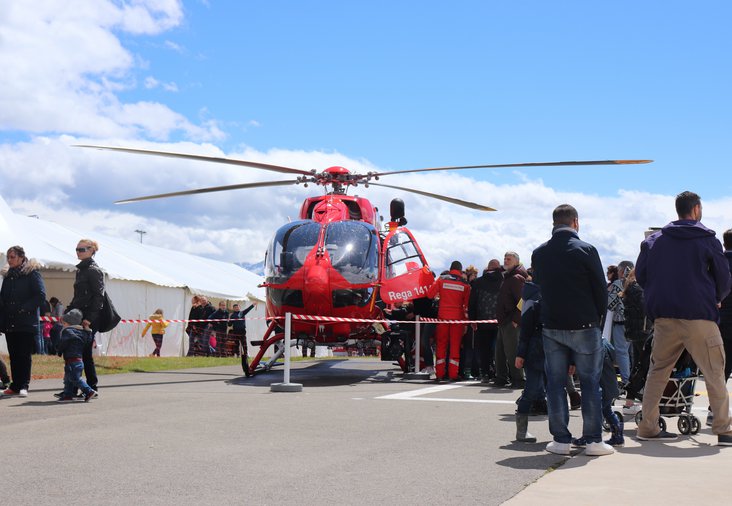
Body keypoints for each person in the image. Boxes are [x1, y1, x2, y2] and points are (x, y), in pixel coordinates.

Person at [635, 191, 732, 445]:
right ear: (697, 209)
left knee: (658, 371)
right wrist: (717, 297)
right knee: (714, 371)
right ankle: (723, 428)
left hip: (664, 317)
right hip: (700, 314)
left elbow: (642, 276)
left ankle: (647, 426)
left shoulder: (654, 241)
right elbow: (723, 277)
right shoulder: (707, 239)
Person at [532, 204, 613, 456]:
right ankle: (593, 440)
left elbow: (538, 288)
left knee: (555, 384)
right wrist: (597, 319)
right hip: (584, 325)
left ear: (554, 223)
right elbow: (601, 291)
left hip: (552, 325)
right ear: (575, 222)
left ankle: (560, 440)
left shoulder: (539, 253)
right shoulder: (587, 250)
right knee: (590, 383)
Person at [0, 246, 46, 397]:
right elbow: (2, 300)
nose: (9, 260)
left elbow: (40, 296)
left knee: (24, 355)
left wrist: (23, 308)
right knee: (13, 355)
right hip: (10, 322)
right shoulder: (8, 276)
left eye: (12, 257)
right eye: (8, 257)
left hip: (26, 322)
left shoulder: (32, 274)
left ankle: (23, 385)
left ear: (21, 257)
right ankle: (15, 385)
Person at [63, 239, 105, 395]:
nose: (78, 252)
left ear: (92, 250)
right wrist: (67, 312)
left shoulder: (94, 270)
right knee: (74, 353)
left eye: (82, 249)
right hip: (78, 316)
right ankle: (72, 389)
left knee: (84, 354)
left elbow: (98, 297)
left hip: (89, 318)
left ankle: (91, 386)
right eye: (77, 249)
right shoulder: (81, 270)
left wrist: (90, 318)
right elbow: (78, 297)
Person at [427, 260, 471, 381]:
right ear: (461, 271)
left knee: (441, 345)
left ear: (450, 268)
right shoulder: (465, 284)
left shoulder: (442, 279)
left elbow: (430, 294)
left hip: (443, 318)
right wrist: (466, 321)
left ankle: (440, 374)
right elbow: (466, 306)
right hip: (457, 319)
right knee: (455, 346)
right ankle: (453, 374)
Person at [514, 279, 545, 443]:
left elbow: (525, 329)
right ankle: (522, 432)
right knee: (537, 390)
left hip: (536, 349)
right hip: (543, 349)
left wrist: (521, 354)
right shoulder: (539, 297)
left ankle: (521, 432)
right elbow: (525, 329)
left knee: (533, 390)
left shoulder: (530, 297)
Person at [494, 252, 528, 388]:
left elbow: (523, 301)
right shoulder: (508, 277)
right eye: (505, 258)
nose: (505, 261)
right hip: (504, 321)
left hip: (510, 322)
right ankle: (502, 378)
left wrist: (516, 320)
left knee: (513, 352)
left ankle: (518, 380)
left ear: (516, 262)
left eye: (509, 259)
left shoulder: (516, 278)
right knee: (500, 353)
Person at [469, 259, 503, 382]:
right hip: (500, 322)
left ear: (488, 268)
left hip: (482, 321)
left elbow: (472, 303)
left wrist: (472, 320)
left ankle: (485, 373)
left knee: (484, 349)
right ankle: (500, 373)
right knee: (499, 350)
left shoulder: (477, 282)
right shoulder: (503, 280)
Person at [56, 309, 97, 402]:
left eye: (64, 323)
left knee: (75, 378)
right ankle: (68, 394)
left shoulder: (67, 332)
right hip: (78, 359)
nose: (63, 325)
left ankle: (89, 391)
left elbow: (63, 343)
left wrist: (59, 350)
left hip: (71, 360)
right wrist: (88, 331)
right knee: (68, 379)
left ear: (69, 323)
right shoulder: (82, 332)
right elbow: (88, 341)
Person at [608, 260, 634, 387]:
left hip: (621, 322)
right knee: (630, 353)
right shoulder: (637, 282)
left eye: (618, 270)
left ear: (622, 271)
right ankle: (633, 380)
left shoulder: (619, 284)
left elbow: (610, 304)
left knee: (621, 352)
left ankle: (626, 381)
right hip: (634, 323)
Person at [230, 302, 255, 375]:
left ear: (239, 307)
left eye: (237, 307)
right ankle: (237, 354)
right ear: (233, 308)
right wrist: (228, 321)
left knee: (244, 344)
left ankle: (246, 354)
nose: (236, 308)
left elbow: (247, 310)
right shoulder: (232, 315)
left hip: (242, 332)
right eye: (235, 307)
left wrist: (253, 305)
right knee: (236, 344)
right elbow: (229, 324)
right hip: (235, 332)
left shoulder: (241, 313)